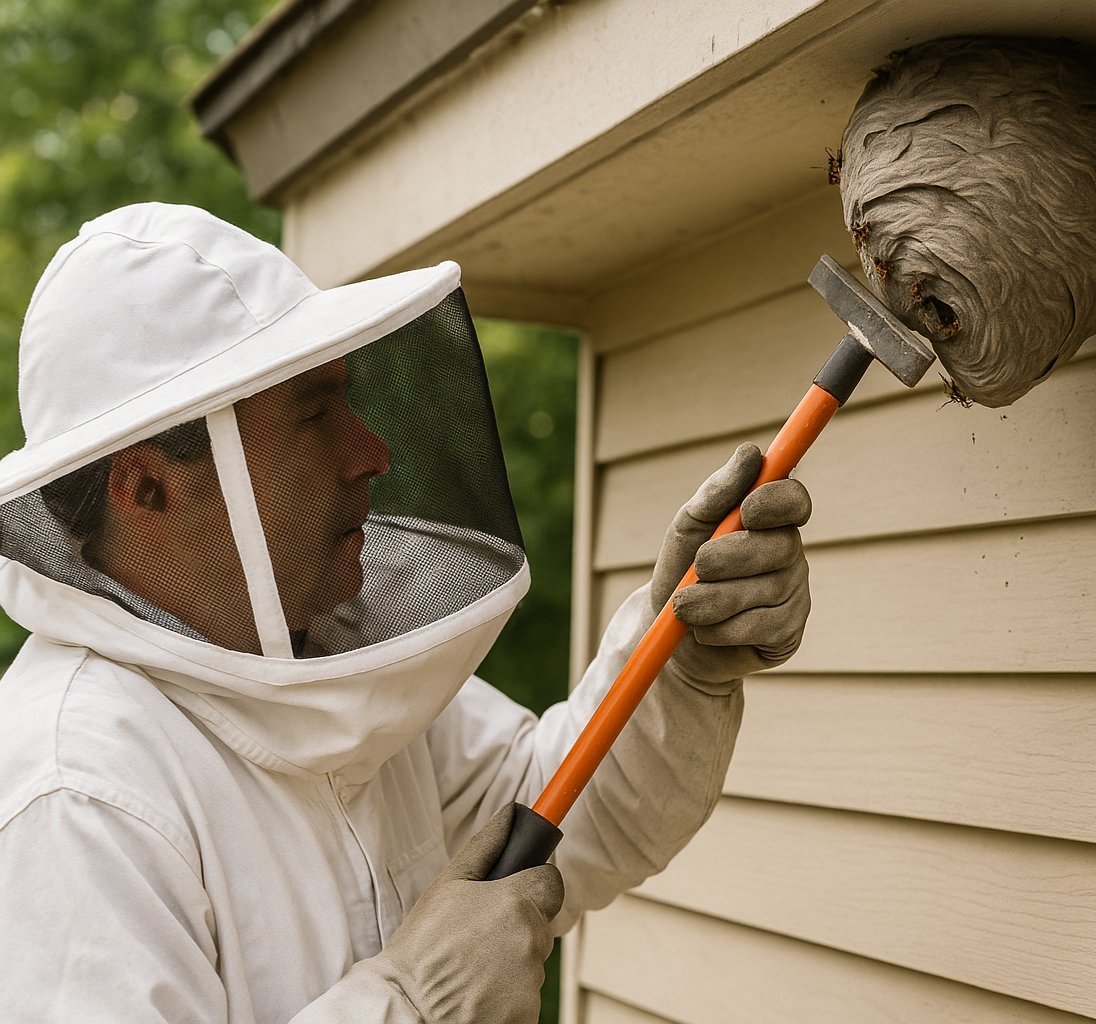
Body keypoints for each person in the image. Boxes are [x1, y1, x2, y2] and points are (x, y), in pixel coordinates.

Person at [0, 203, 813, 1023]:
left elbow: (550, 818)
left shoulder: (331, 656)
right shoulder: (76, 791)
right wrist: (413, 1005)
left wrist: (679, 663)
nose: (372, 451)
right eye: (314, 415)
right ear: (148, 487)